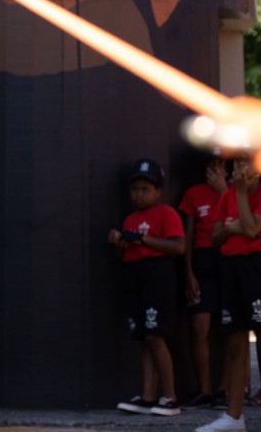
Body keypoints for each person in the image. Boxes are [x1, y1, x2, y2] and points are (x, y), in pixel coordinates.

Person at [197, 157, 261, 432]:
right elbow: (214, 237)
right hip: (229, 269)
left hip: (257, 267)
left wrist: (238, 212)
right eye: (236, 166)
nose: (239, 171)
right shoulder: (227, 196)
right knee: (235, 344)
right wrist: (232, 223)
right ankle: (234, 416)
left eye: (245, 165)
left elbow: (250, 228)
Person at [108, 158, 184, 417]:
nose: (139, 194)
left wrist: (142, 239)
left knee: (156, 336)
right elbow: (123, 257)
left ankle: (170, 398)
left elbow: (178, 246)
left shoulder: (166, 213)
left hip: (158, 277)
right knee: (144, 339)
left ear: (158, 191)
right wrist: (119, 242)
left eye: (145, 189)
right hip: (134, 277)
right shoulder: (130, 218)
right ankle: (148, 395)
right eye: (135, 189)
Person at [179, 153, 231, 408]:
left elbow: (241, 223)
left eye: (220, 165)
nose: (215, 169)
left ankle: (225, 389)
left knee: (231, 328)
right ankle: (205, 389)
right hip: (202, 263)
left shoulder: (234, 192)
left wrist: (223, 192)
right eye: (211, 164)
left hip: (230, 260)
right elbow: (186, 237)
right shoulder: (193, 193)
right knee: (200, 326)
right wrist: (188, 272)